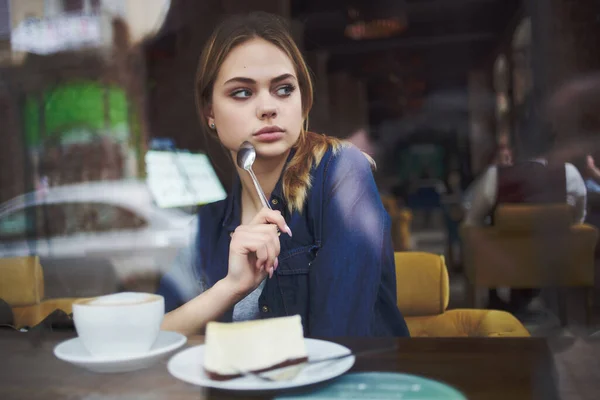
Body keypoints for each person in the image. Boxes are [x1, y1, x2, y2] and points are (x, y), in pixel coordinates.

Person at [156, 12, 409, 337]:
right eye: (242, 93)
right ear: (210, 113)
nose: (267, 107)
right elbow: (155, 338)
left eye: (284, 89)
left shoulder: (341, 172)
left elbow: (339, 343)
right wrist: (231, 287)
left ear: (303, 104)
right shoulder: (207, 227)